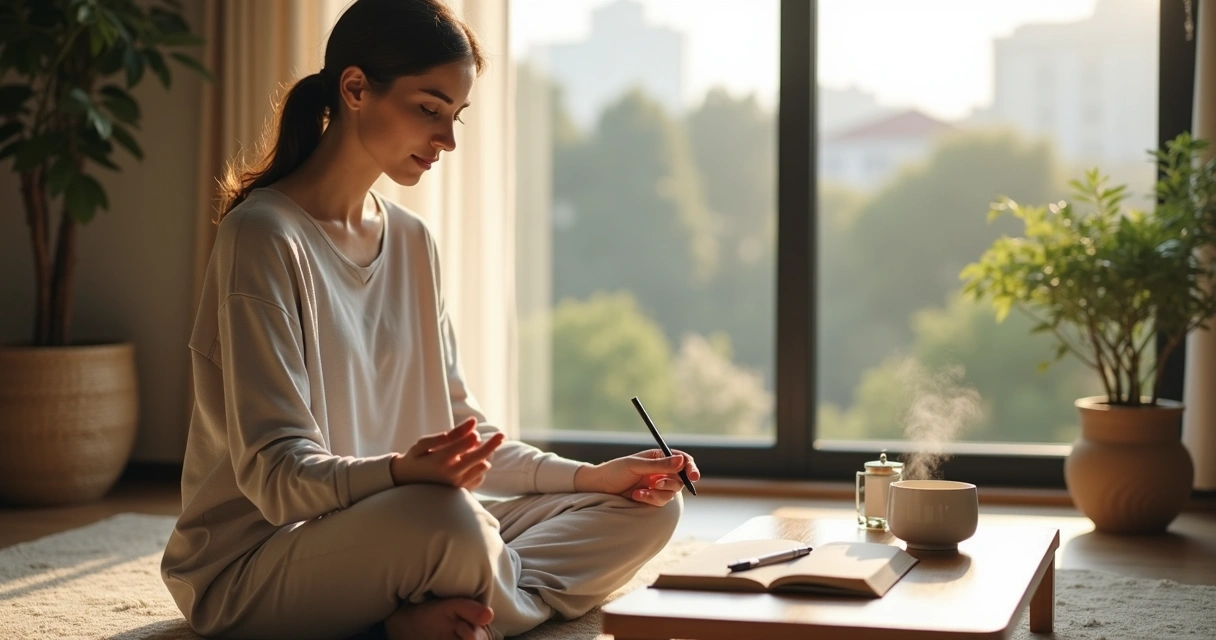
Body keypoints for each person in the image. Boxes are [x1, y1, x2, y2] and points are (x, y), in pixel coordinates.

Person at [160, 1, 701, 639]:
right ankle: (464, 613)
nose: (446, 139)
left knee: (645, 512)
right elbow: (276, 479)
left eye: (456, 116)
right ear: (355, 88)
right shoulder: (263, 235)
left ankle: (446, 611)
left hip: (398, 530)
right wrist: (401, 474)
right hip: (256, 564)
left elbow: (465, 437)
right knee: (451, 521)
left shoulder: (414, 242)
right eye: (429, 108)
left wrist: (593, 477)